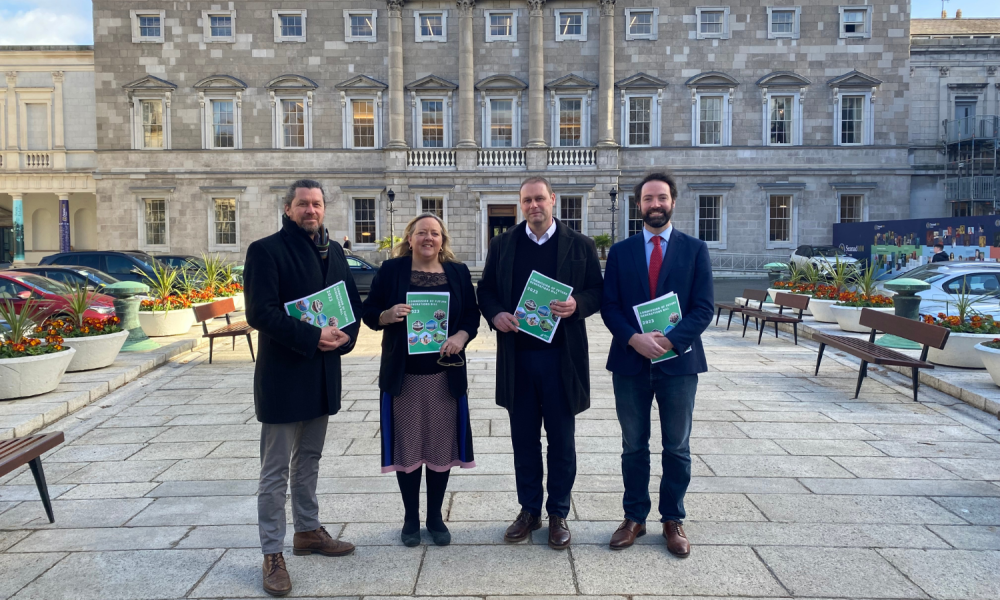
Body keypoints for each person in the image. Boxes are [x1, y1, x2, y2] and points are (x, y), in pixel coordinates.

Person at [245, 179, 362, 597]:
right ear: (288, 209)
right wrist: (313, 338)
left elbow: (351, 307)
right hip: (284, 376)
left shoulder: (333, 252)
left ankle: (308, 531)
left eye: (316, 204)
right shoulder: (266, 250)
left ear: (324, 209)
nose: (310, 210)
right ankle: (272, 553)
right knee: (275, 470)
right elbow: (261, 312)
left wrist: (345, 334)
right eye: (302, 204)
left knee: (309, 460)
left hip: (323, 375)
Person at [477, 176, 604, 550]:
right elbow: (485, 290)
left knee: (562, 441)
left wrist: (577, 305)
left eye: (540, 199)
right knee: (524, 441)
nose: (534, 206)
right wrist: (496, 314)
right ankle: (529, 509)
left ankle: (558, 513)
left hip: (561, 360)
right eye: (527, 200)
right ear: (521, 205)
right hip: (519, 360)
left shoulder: (579, 245)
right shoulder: (502, 245)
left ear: (553, 200)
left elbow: (598, 291)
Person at [600, 172, 714, 557]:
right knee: (633, 446)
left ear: (673, 202)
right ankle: (634, 517)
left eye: (661, 197)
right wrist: (634, 338)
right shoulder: (621, 251)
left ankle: (672, 519)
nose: (655, 204)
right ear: (639, 205)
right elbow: (609, 306)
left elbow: (703, 308)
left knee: (677, 447)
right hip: (630, 363)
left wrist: (670, 340)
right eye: (648, 198)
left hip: (678, 365)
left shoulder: (695, 249)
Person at [361, 214, 480, 547]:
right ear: (409, 238)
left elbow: (472, 314)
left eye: (435, 233)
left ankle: (435, 517)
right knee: (408, 447)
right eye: (422, 233)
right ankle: (410, 518)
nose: (429, 238)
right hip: (405, 378)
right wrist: (387, 315)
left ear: (443, 240)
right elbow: (369, 313)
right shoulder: (391, 271)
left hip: (445, 375)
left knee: (442, 447)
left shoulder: (457, 272)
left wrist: (460, 335)